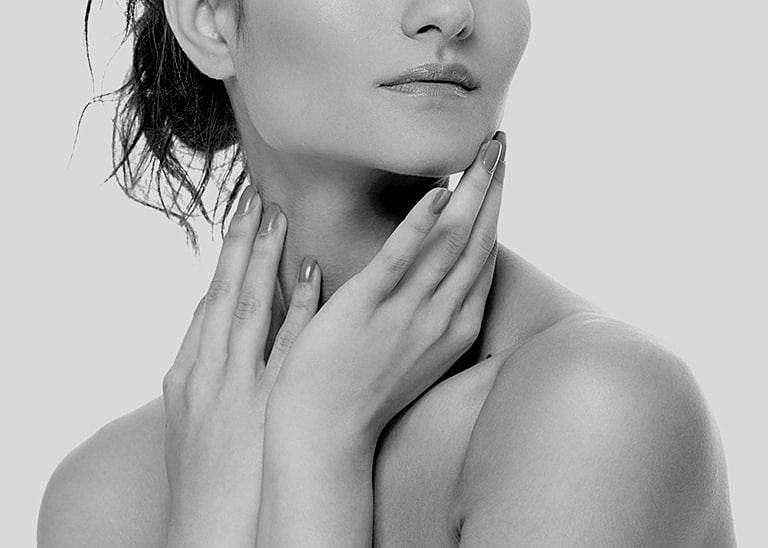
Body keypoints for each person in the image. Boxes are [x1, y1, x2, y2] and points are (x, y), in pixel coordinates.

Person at [38, 0, 736, 545]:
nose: (452, 12)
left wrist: (317, 450)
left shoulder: (596, 412)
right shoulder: (107, 495)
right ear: (213, 19)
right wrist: (211, 526)